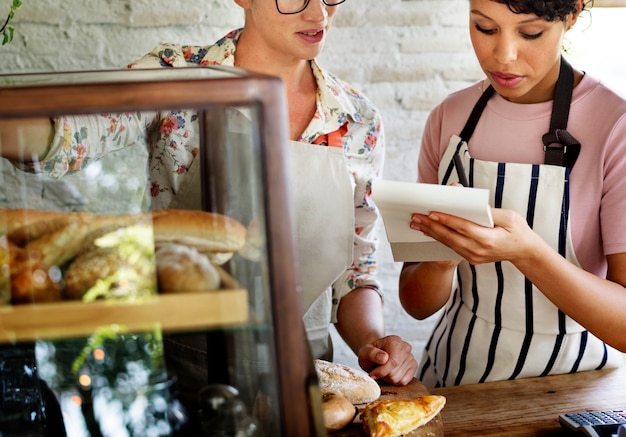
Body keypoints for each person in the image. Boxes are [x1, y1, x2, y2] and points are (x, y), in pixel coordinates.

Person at [1, 0, 417, 392]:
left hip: (302, 387)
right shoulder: (177, 74)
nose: (318, 13)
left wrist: (373, 342)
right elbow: (73, 132)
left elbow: (354, 274)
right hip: (181, 373)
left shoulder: (358, 121)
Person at [399, 0, 626, 388]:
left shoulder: (615, 127)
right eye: (485, 28)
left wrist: (528, 252)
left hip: (573, 388)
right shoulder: (449, 118)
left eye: (530, 33)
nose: (503, 55)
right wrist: (439, 263)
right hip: (455, 377)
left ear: (572, 16)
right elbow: (415, 304)